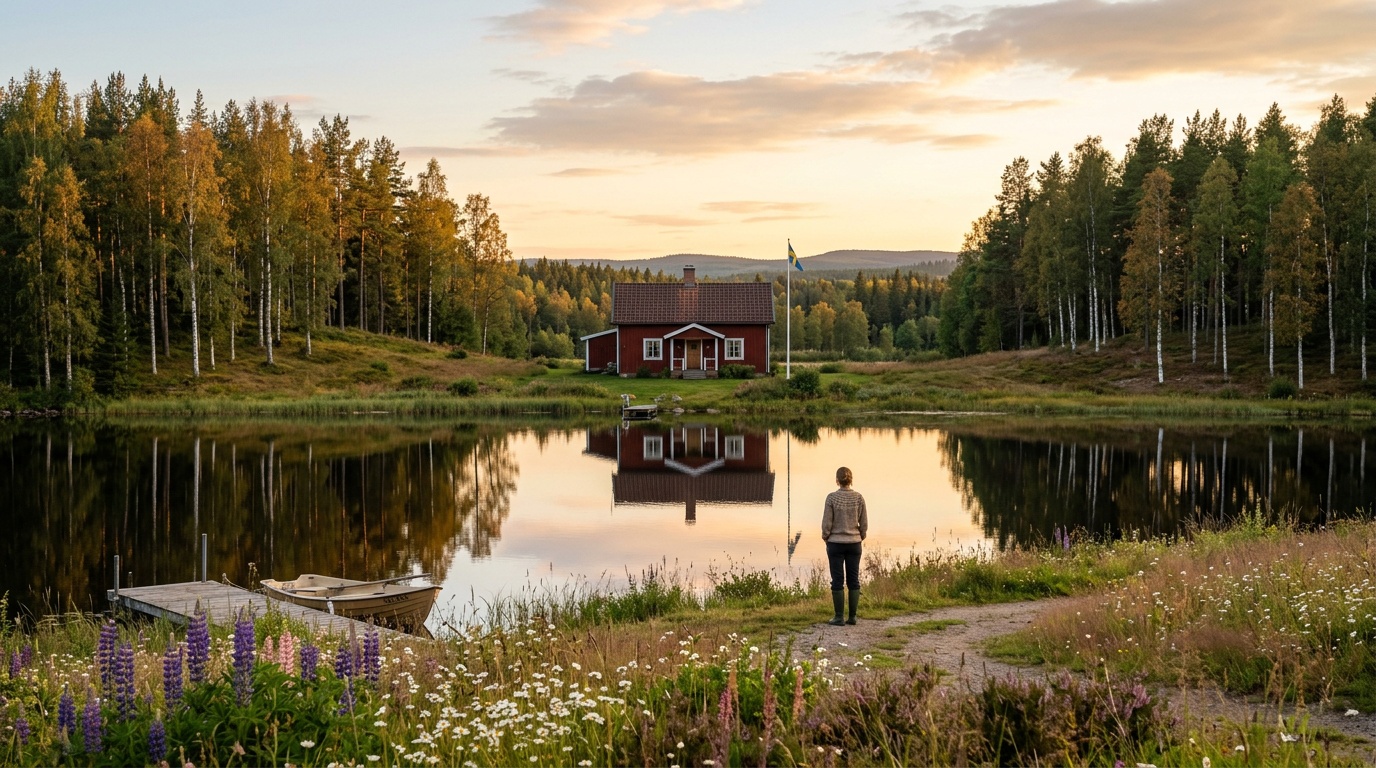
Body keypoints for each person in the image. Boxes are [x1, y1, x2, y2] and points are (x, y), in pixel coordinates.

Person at [821, 466, 867, 626]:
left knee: (837, 580)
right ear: (851, 480)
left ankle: (839, 617)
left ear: (837, 480)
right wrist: (860, 535)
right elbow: (864, 523)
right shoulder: (859, 498)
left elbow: (827, 523)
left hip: (835, 543)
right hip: (854, 543)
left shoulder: (832, 498)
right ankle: (852, 617)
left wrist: (826, 536)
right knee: (853, 580)